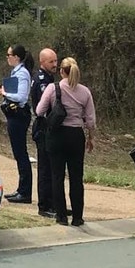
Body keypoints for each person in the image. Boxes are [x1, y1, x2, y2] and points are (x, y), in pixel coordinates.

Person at [36, 57, 95, 227]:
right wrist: (91, 137)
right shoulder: (84, 91)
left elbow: (40, 111)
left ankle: (61, 215)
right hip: (76, 135)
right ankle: (78, 216)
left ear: (62, 71)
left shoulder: (52, 88)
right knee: (76, 177)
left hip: (56, 135)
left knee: (57, 176)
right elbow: (90, 119)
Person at [0, 44, 34, 204]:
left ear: (16, 57)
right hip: (13, 115)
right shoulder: (16, 72)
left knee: (21, 153)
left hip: (19, 115)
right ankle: (21, 189)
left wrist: (4, 93)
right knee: (18, 153)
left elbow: (21, 97)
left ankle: (25, 192)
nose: (7, 57)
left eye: (9, 54)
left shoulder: (23, 73)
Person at [30, 48, 58, 218]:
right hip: (44, 126)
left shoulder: (49, 78)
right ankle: (44, 205)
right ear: (42, 62)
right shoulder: (41, 80)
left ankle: (54, 203)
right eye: (51, 62)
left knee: (53, 167)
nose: (55, 64)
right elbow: (44, 107)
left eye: (56, 61)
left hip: (50, 127)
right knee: (45, 168)